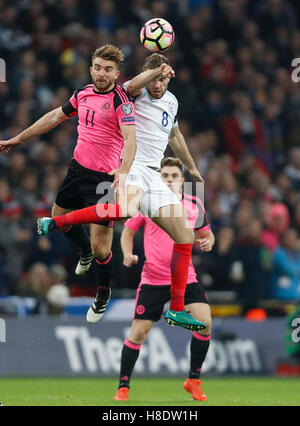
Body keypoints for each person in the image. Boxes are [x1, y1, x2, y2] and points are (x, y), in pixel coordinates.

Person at [36, 53, 206, 331]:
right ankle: (57, 222)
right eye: (155, 78)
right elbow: (136, 82)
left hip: (154, 174)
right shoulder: (133, 94)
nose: (158, 85)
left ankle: (176, 310)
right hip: (131, 164)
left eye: (163, 80)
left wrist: (191, 166)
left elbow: (174, 136)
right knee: (124, 214)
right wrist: (156, 72)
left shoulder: (172, 101)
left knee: (185, 235)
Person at [0, 44, 137, 316]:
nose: (101, 73)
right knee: (59, 217)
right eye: (97, 68)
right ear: (91, 69)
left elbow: (131, 139)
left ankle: (103, 293)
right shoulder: (83, 93)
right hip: (77, 171)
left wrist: (122, 170)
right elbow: (54, 117)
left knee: (102, 250)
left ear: (116, 73)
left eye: (108, 69)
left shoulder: (122, 101)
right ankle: (83, 250)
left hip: (104, 180)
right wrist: (19, 138)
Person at [114, 157, 214, 402]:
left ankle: (193, 380)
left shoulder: (194, 204)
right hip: (153, 280)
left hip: (186, 279)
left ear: (182, 181)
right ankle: (123, 386)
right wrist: (127, 254)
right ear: (158, 179)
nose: (169, 180)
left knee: (205, 324)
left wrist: (208, 242)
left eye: (173, 176)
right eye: (165, 176)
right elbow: (127, 231)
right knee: (138, 333)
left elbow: (207, 235)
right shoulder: (149, 203)